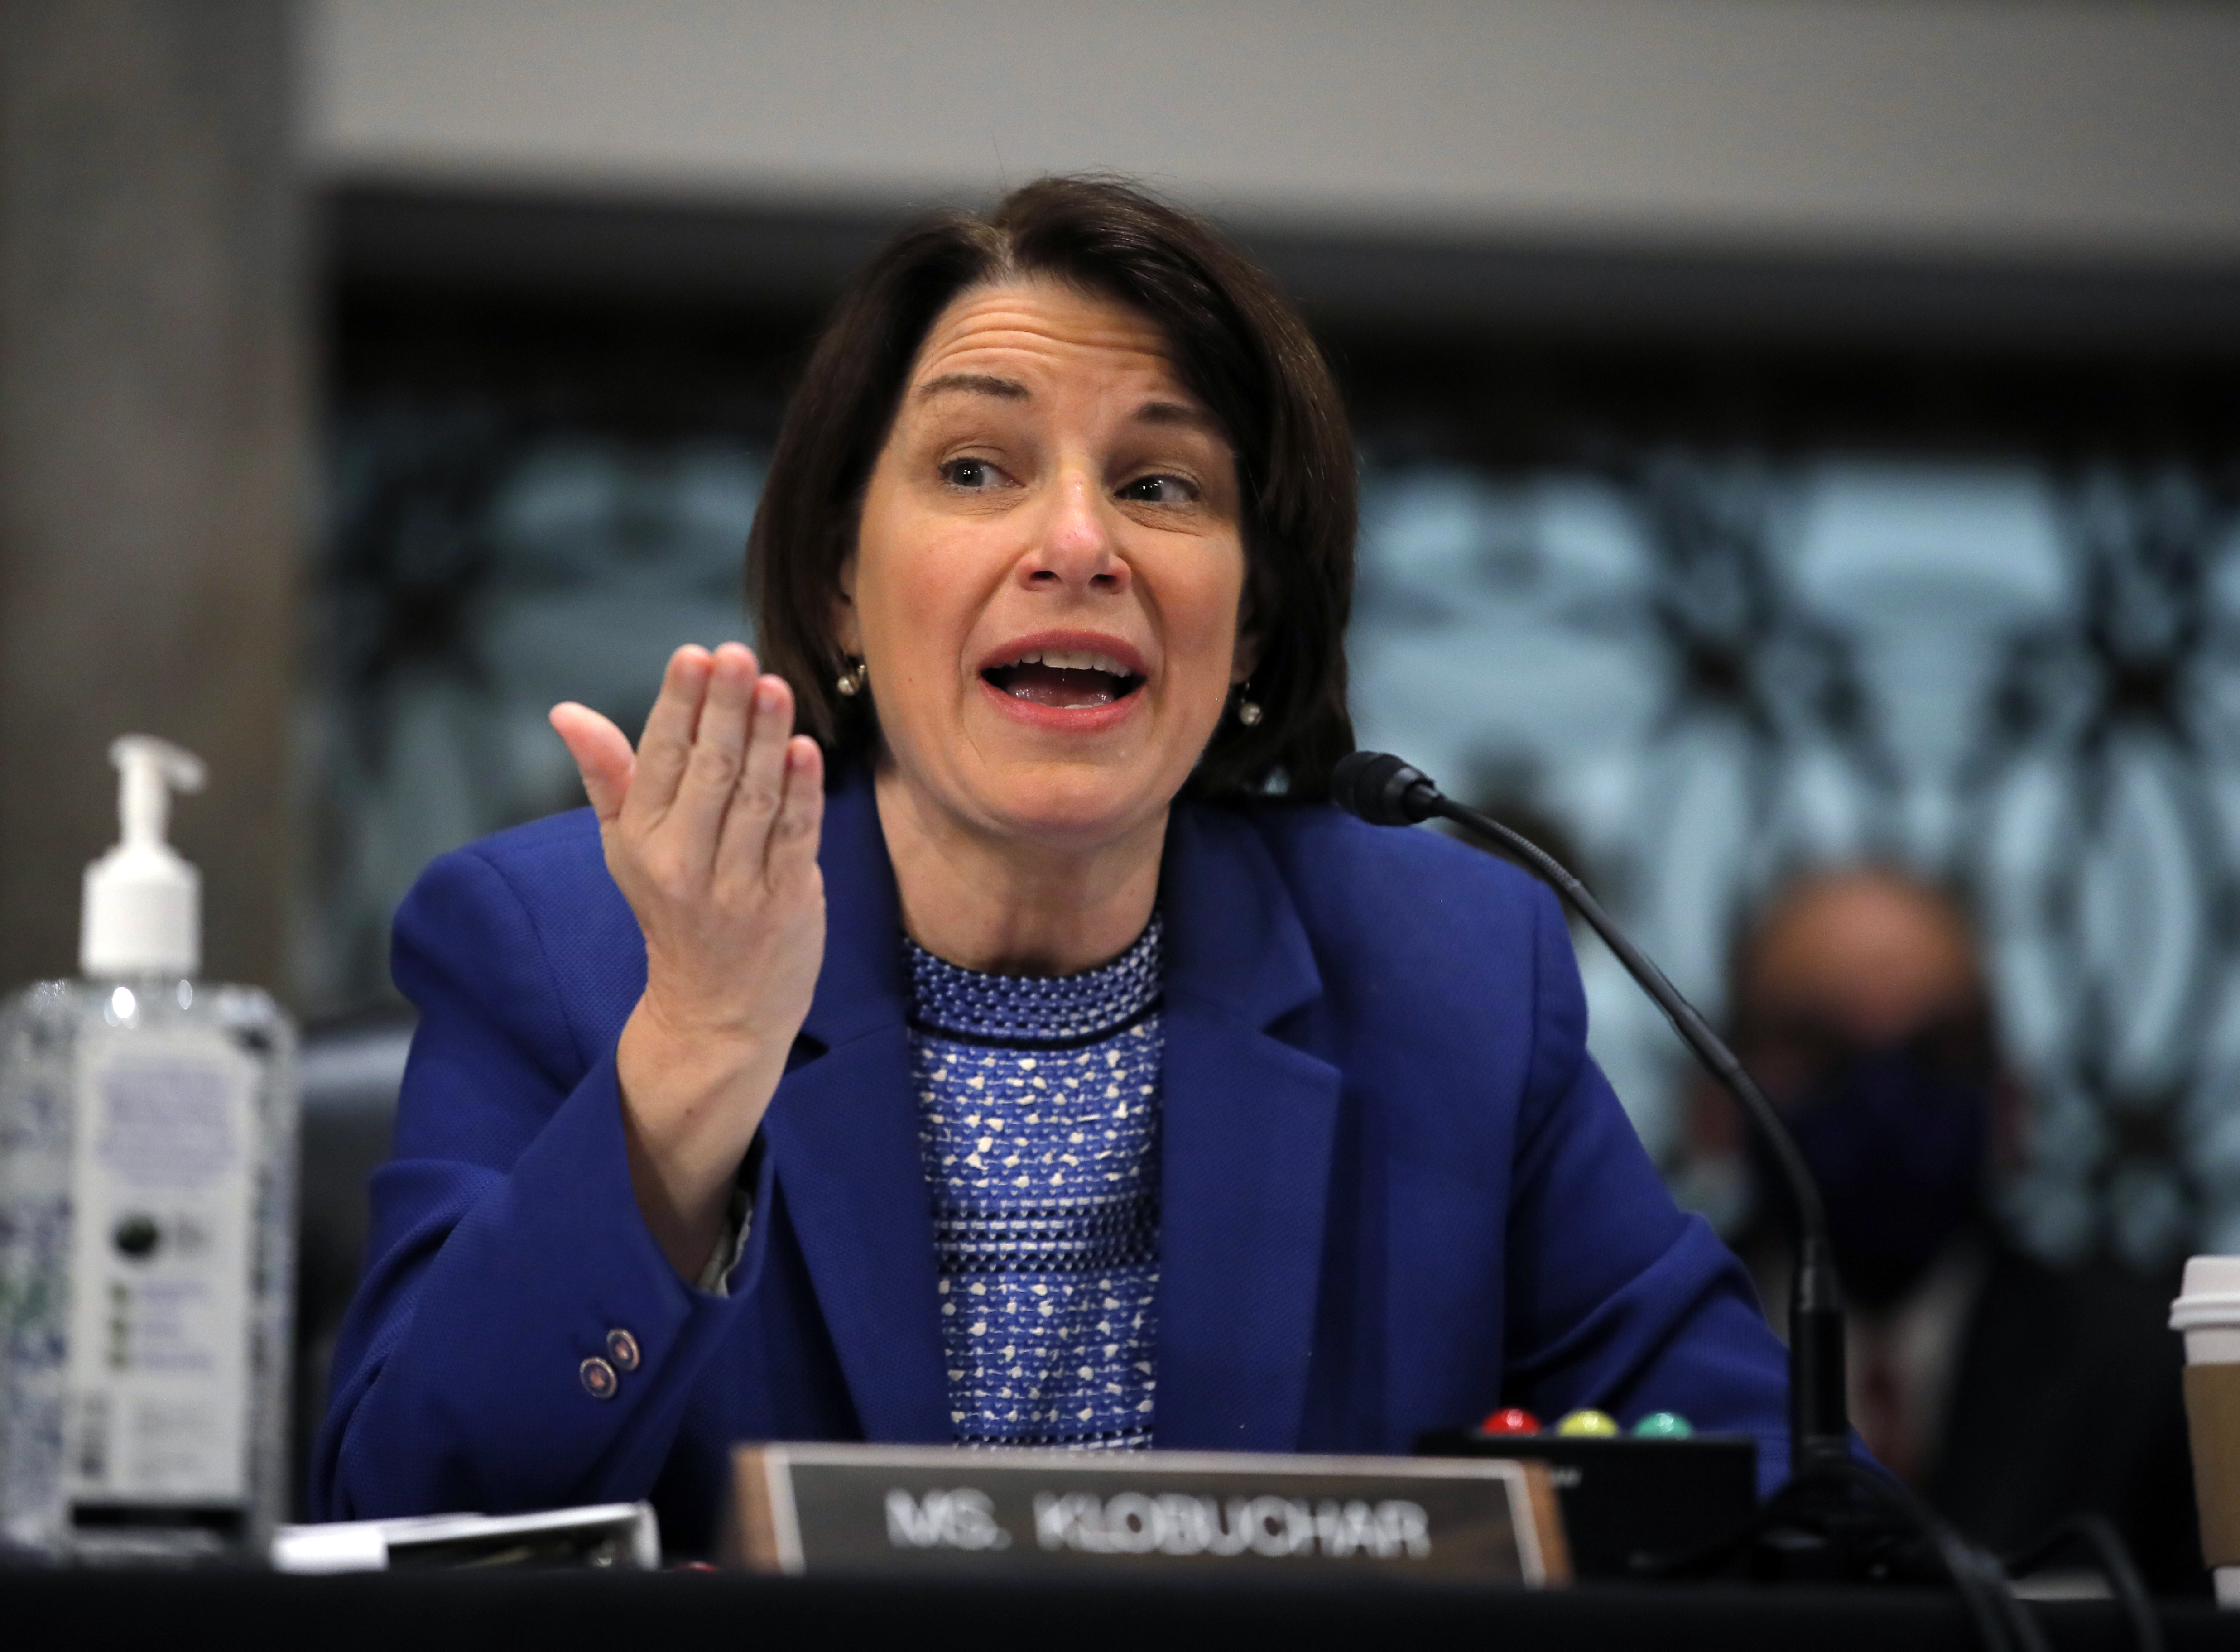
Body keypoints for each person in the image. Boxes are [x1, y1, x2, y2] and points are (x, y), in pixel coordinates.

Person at [312, 178, 1793, 1551]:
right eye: (976, 465)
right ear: (841, 579)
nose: (1077, 541)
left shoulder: (1442, 965)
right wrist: (694, 1054)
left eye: (1161, 486)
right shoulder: (569, 940)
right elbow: (399, 1511)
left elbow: (1765, 1488)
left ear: (1257, 627)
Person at [1677, 867, 2202, 1590]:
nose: (1884, 1100)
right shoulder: (1648, 1366)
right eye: (1816, 1046)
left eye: (1939, 1048)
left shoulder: (2152, 1377)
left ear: (2011, 1104)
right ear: (1714, 1108)